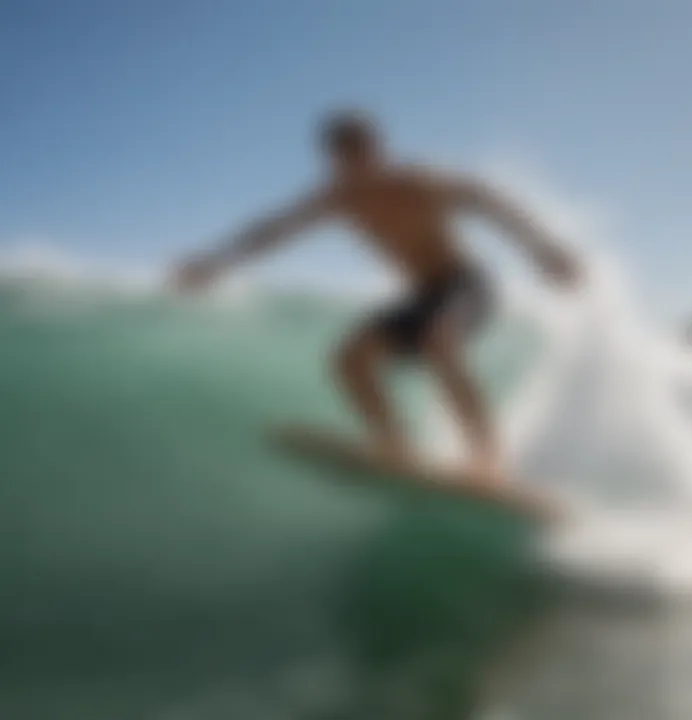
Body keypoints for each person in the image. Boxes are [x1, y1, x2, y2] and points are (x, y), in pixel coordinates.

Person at [171, 110, 582, 482]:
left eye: (362, 152)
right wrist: (215, 262)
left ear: (379, 149)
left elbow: (488, 199)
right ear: (333, 159)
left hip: (466, 284)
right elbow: (273, 230)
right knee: (350, 360)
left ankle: (488, 458)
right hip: (423, 294)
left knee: (438, 341)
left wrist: (544, 250)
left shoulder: (419, 182)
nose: (355, 165)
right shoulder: (339, 198)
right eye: (344, 157)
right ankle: (395, 444)